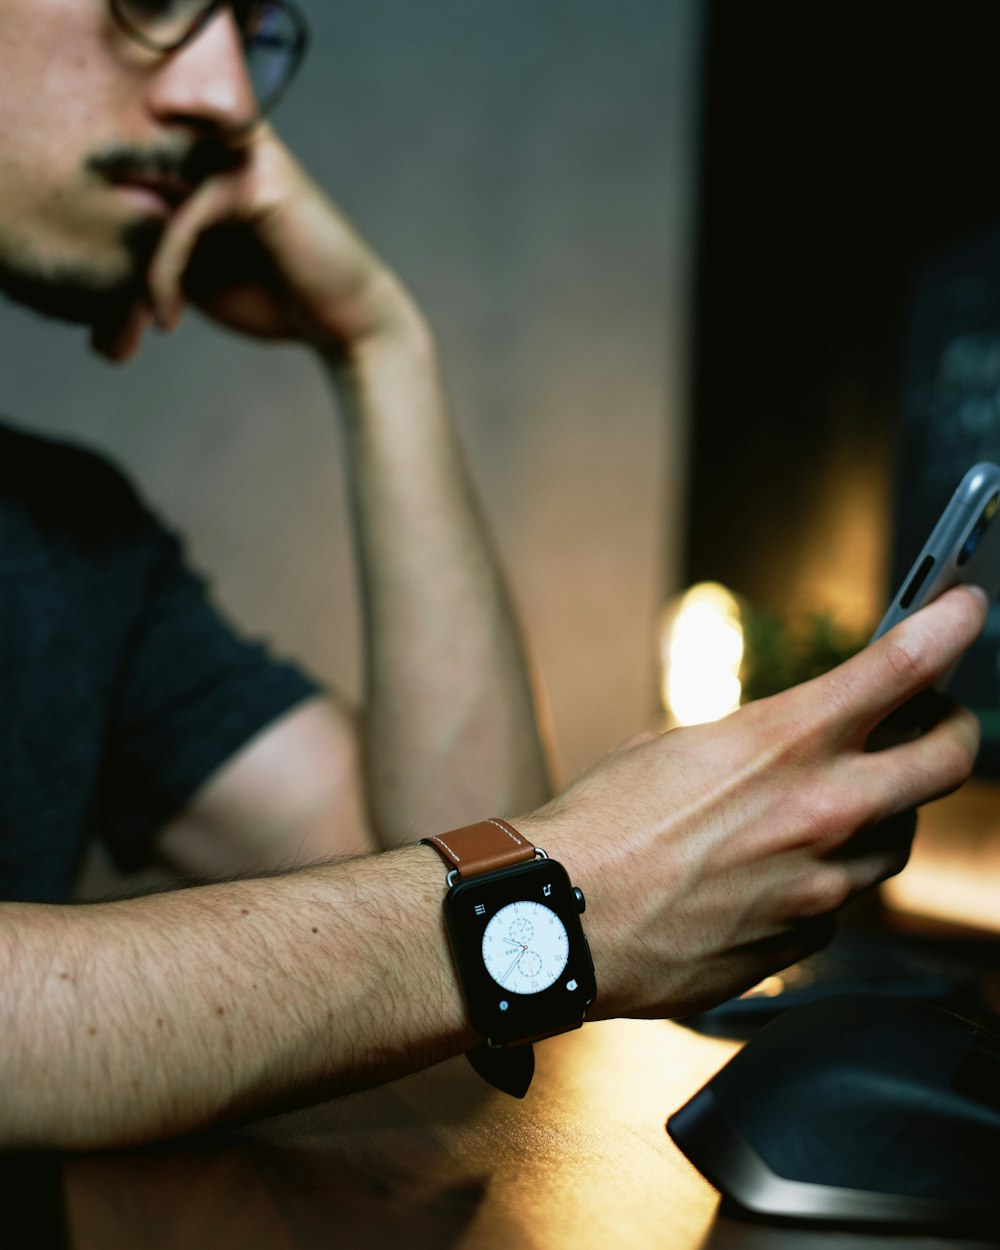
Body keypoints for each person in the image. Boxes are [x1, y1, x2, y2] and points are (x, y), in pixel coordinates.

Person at [0, 0, 987, 1151]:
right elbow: (493, 901)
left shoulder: (76, 543)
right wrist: (581, 902)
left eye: (249, 29)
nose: (222, 99)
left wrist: (379, 347)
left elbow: (457, 836)